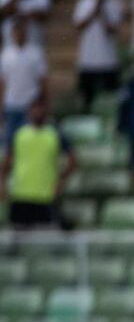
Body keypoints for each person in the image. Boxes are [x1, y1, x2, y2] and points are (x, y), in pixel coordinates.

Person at [0, 96, 77, 229]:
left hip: (46, 195)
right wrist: (2, 183)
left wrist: (61, 180)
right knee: (18, 237)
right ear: (29, 112)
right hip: (21, 194)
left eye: (41, 109)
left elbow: (73, 160)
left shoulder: (55, 134)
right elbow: (7, 160)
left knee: (43, 240)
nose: (37, 113)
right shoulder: (18, 134)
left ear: (46, 111)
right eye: (34, 109)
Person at [73, 0, 125, 112]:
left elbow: (112, 30)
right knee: (87, 100)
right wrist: (94, 9)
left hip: (108, 60)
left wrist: (101, 9)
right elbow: (79, 25)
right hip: (87, 60)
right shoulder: (84, 2)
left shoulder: (116, 3)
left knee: (110, 99)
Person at [0, 18, 47, 145]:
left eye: (21, 31)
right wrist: (2, 106)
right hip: (11, 104)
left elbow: (43, 80)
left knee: (28, 142)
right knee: (10, 142)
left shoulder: (35, 52)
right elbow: (3, 83)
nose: (18, 35)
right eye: (16, 32)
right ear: (12, 34)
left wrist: (44, 102)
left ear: (25, 33)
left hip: (30, 105)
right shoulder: (6, 54)